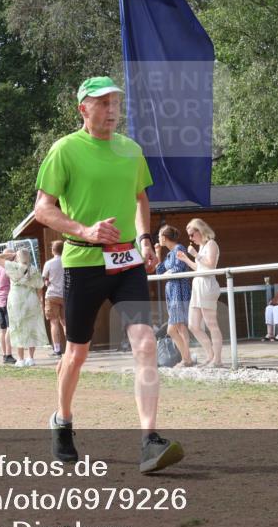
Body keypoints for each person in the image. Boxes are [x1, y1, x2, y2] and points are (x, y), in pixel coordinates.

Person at [33, 75, 184, 474]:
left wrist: (147, 239)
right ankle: (62, 421)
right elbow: (43, 209)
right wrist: (84, 230)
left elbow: (140, 196)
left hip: (127, 263)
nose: (112, 109)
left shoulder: (131, 150)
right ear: (83, 108)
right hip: (83, 263)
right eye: (102, 103)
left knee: (146, 343)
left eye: (115, 102)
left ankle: (150, 439)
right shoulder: (65, 150)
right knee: (77, 352)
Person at [176, 218, 223, 367]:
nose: (190, 238)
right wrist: (186, 259)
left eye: (191, 234)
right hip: (198, 284)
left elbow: (210, 265)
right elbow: (199, 268)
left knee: (211, 324)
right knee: (193, 325)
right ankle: (210, 356)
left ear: (200, 231)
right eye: (189, 235)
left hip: (207, 285)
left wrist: (195, 254)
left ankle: (217, 359)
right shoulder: (202, 247)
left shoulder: (211, 244)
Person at [0, 248, 48, 367]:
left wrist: (11, 254)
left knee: (18, 328)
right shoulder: (33, 269)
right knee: (31, 328)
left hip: (16, 300)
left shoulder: (13, 266)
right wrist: (41, 302)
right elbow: (40, 286)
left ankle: (20, 359)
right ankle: (31, 358)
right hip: (31, 300)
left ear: (18, 257)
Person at [154, 225, 194, 366]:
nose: (158, 239)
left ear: (164, 237)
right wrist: (157, 253)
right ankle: (186, 358)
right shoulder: (170, 254)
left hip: (179, 290)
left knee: (178, 327)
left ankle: (186, 359)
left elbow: (178, 268)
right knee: (174, 328)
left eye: (159, 236)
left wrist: (167, 274)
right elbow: (159, 271)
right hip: (171, 291)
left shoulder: (179, 249)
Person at [42, 240, 67, 357]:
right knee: (66, 323)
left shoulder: (49, 263)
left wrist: (48, 282)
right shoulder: (67, 261)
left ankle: (57, 350)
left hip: (52, 295)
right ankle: (70, 348)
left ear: (53, 250)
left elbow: (44, 280)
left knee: (54, 322)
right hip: (66, 295)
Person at [0, 260, 14, 364]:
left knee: (2, 329)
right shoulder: (8, 268)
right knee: (9, 328)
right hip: (7, 298)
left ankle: (4, 354)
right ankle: (9, 354)